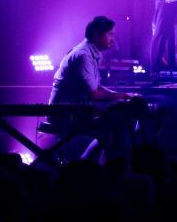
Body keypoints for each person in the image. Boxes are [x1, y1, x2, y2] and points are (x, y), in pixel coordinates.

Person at [50, 15, 146, 161]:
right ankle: (89, 163)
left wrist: (122, 95)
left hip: (76, 109)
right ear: (96, 34)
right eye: (110, 34)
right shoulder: (83, 55)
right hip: (65, 113)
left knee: (116, 122)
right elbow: (94, 94)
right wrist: (121, 96)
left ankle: (94, 162)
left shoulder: (90, 52)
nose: (113, 39)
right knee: (117, 123)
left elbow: (96, 86)